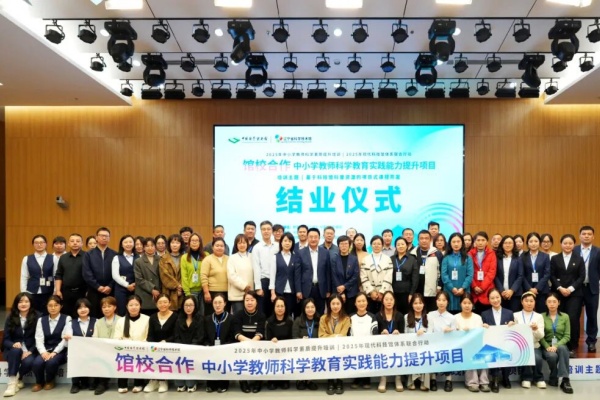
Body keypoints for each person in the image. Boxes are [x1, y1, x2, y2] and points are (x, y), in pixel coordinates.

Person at [550, 234, 585, 358]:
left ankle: (573, 347)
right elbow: (552, 275)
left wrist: (570, 289)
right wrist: (560, 288)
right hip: (558, 293)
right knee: (558, 319)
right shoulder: (555, 258)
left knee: (572, 319)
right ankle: (559, 346)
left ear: (574, 245)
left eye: (570, 243)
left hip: (574, 294)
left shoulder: (579, 259)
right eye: (565, 243)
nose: (567, 245)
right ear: (561, 244)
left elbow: (581, 277)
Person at [2, 293, 39, 397]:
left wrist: (30, 351)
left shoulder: (37, 317)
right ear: (16, 304)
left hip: (30, 349)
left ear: (31, 303)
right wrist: (13, 344)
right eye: (20, 301)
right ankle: (12, 384)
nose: (23, 304)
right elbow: (5, 340)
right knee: (15, 351)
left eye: (26, 301)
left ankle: (18, 378)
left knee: (29, 361)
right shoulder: (11, 317)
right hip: (13, 350)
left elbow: (39, 338)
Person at [32, 295, 71, 392]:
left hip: (60, 350)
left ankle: (50, 381)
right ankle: (39, 382)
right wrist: (43, 352)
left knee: (51, 362)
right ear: (47, 307)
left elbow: (65, 339)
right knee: (37, 362)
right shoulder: (41, 320)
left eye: (56, 305)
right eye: (50, 305)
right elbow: (38, 338)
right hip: (45, 349)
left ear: (61, 306)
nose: (53, 308)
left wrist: (55, 352)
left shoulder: (67, 318)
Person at [114, 295, 149, 393]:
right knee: (123, 359)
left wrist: (139, 345)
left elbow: (148, 336)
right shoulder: (120, 321)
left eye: (136, 305)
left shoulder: (147, 319)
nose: (134, 307)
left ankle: (139, 383)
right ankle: (122, 384)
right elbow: (117, 337)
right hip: (125, 350)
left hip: (141, 349)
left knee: (139, 359)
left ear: (140, 306)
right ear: (126, 306)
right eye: (131, 305)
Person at [481, 288, 515, 392]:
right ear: (488, 300)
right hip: (491, 342)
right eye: (492, 298)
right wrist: (483, 326)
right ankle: (495, 379)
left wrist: (513, 325)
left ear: (501, 297)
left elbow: (514, 331)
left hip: (506, 342)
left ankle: (506, 377)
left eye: (497, 297)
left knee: (509, 350)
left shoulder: (509, 313)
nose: (495, 300)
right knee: (492, 350)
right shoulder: (484, 314)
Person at [233, 291, 266, 393]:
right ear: (243, 302)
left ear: (256, 302)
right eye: (247, 300)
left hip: (257, 345)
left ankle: (258, 381)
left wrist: (252, 344)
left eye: (252, 300)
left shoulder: (261, 315)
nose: (249, 302)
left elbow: (260, 333)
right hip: (243, 345)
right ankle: (243, 381)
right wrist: (248, 343)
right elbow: (237, 333)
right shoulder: (238, 314)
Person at [455, 294, 489, 392]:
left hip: (476, 344)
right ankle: (472, 382)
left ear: (473, 305)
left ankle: (484, 382)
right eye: (464, 303)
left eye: (469, 303)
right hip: (462, 346)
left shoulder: (477, 317)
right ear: (460, 304)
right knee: (470, 352)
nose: (467, 305)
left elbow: (479, 334)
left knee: (485, 351)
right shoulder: (455, 318)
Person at [144, 295, 178, 393]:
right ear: (156, 304)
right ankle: (153, 381)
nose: (163, 304)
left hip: (170, 347)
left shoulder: (175, 316)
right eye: (160, 302)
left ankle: (163, 381)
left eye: (165, 302)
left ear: (170, 303)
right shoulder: (153, 317)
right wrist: (152, 345)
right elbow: (150, 335)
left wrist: (166, 342)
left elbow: (176, 334)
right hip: (155, 347)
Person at [573, 225, 599, 353]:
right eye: (584, 234)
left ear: (593, 236)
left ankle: (591, 341)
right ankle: (574, 342)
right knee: (574, 315)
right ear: (579, 236)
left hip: (591, 288)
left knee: (592, 315)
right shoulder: (574, 250)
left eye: (589, 234)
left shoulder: (598, 251)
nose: (586, 236)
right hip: (576, 288)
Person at [541, 293, 573, 393]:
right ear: (545, 303)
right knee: (552, 356)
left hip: (560, 344)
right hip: (546, 346)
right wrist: (547, 346)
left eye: (554, 302)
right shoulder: (541, 316)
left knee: (563, 349)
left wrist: (556, 345)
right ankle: (553, 376)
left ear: (559, 303)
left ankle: (565, 379)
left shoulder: (565, 316)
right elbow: (540, 335)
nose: (552, 304)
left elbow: (567, 336)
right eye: (549, 302)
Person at [63, 298, 96, 394]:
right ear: (76, 310)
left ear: (89, 308)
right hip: (77, 352)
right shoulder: (71, 323)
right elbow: (66, 343)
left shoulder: (96, 321)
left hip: (92, 351)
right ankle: (75, 383)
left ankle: (92, 381)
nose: (83, 310)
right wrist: (67, 338)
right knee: (72, 356)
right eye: (80, 308)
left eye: (85, 307)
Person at [319, 294, 350, 395]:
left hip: (341, 348)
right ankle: (330, 381)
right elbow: (321, 336)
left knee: (340, 359)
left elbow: (343, 336)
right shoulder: (323, 318)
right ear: (329, 305)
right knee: (329, 359)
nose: (335, 306)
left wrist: (331, 336)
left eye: (338, 303)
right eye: (333, 304)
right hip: (327, 348)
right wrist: (335, 336)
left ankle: (340, 381)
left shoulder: (346, 319)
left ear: (341, 304)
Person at [83, 227, 117, 318]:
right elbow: (87, 273)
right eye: (102, 235)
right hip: (94, 290)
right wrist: (98, 287)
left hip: (110, 291)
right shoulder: (88, 254)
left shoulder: (115, 254)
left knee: (110, 315)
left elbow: (117, 273)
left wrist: (110, 286)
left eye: (106, 236)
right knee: (94, 315)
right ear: (96, 238)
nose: (104, 238)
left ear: (109, 238)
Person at [513, 291, 545, 389]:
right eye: (526, 301)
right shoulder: (515, 315)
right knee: (526, 355)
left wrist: (535, 330)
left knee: (538, 358)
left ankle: (538, 378)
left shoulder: (539, 316)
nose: (529, 303)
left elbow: (541, 336)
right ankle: (526, 378)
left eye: (531, 301)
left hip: (534, 344)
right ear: (522, 302)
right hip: (520, 345)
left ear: (535, 302)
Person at [296, 228, 331, 315]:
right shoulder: (300, 253)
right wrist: (298, 290)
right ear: (307, 238)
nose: (313, 239)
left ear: (319, 238)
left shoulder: (325, 252)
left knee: (320, 313)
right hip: (306, 289)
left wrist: (328, 289)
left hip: (321, 289)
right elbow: (298, 273)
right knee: (306, 313)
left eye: (315, 237)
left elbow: (328, 272)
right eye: (311, 237)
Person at [174, 296, 204, 392]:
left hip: (194, 350)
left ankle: (193, 382)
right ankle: (181, 382)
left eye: (191, 305)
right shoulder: (179, 319)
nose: (188, 308)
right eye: (186, 305)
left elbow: (200, 337)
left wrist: (190, 348)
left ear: (195, 306)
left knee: (190, 384)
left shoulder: (200, 319)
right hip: (181, 350)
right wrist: (181, 348)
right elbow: (176, 336)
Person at [427, 291, 456, 392]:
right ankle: (433, 379)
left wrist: (450, 331)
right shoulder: (430, 315)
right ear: (436, 301)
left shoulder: (452, 317)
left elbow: (455, 334)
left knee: (449, 352)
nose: (441, 302)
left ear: (448, 302)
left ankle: (449, 379)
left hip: (447, 344)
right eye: (439, 300)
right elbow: (429, 330)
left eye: (444, 300)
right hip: (433, 343)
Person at [20, 235, 57, 314]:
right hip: (32, 291)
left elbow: (56, 276)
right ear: (33, 244)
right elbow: (24, 276)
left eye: (41, 242)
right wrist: (24, 293)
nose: (39, 245)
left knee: (47, 313)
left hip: (48, 291)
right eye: (36, 243)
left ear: (46, 244)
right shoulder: (26, 258)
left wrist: (55, 291)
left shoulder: (53, 258)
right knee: (33, 313)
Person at [204, 294, 233, 393]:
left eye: (220, 302)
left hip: (226, 348)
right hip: (211, 348)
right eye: (215, 302)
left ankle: (223, 384)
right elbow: (204, 336)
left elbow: (232, 336)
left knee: (223, 364)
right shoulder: (207, 319)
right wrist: (208, 345)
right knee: (211, 363)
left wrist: (225, 346)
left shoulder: (231, 318)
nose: (217, 305)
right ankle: (211, 384)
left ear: (225, 303)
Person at [376, 291, 404, 392]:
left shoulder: (399, 316)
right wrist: (381, 333)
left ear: (394, 301)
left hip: (397, 346)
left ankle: (398, 378)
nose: (389, 302)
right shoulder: (377, 316)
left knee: (399, 353)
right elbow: (374, 335)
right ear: (382, 301)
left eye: (391, 299)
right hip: (382, 346)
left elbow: (404, 335)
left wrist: (398, 333)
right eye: (386, 299)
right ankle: (383, 378)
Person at [349, 293, 378, 390]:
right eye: (359, 301)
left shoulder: (372, 317)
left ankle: (366, 378)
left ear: (367, 302)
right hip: (354, 348)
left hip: (368, 349)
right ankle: (357, 378)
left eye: (363, 301)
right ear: (355, 303)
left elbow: (375, 333)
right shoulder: (350, 317)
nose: (361, 303)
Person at [91, 296, 119, 395]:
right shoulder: (98, 322)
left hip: (117, 349)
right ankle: (98, 381)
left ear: (115, 307)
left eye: (109, 306)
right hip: (102, 349)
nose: (106, 309)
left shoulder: (121, 320)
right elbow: (95, 337)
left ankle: (102, 383)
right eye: (104, 307)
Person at [54, 233, 86, 318]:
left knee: (81, 314)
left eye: (78, 241)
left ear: (82, 243)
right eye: (72, 241)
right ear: (68, 243)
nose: (75, 243)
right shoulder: (63, 257)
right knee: (66, 315)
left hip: (82, 292)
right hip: (66, 292)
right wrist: (58, 290)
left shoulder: (87, 256)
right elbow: (59, 275)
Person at [265, 297, 294, 390]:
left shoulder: (290, 321)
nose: (280, 308)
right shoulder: (268, 322)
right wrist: (271, 340)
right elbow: (266, 338)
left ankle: (284, 379)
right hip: (272, 352)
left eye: (282, 306)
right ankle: (272, 380)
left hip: (286, 352)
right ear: (274, 307)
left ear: (285, 307)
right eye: (277, 306)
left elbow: (292, 338)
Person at [292, 298, 320, 390]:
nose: (310, 309)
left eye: (312, 307)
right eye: (307, 307)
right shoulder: (298, 320)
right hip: (301, 350)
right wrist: (301, 340)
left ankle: (310, 380)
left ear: (315, 308)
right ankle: (300, 379)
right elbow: (293, 337)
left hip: (316, 350)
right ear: (304, 309)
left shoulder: (319, 320)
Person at [441, 233, 473, 313]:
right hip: (449, 290)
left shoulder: (468, 258)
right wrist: (452, 288)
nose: (456, 244)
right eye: (453, 242)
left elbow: (470, 275)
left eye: (458, 241)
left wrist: (463, 288)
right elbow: (444, 275)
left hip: (464, 290)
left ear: (462, 243)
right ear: (450, 243)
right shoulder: (446, 258)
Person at [360, 235, 393, 313]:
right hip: (370, 295)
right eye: (374, 244)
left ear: (382, 245)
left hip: (385, 294)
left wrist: (382, 292)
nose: (376, 246)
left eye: (379, 244)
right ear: (371, 245)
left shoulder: (387, 259)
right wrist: (371, 291)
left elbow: (389, 276)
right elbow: (363, 277)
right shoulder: (365, 259)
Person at [411, 230, 442, 311]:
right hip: (417, 289)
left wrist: (439, 286)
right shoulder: (412, 253)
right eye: (421, 238)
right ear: (418, 240)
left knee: (431, 312)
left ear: (430, 239)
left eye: (426, 238)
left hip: (432, 289)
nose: (424, 240)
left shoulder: (437, 253)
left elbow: (440, 271)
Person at [269, 232, 299, 319]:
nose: (287, 243)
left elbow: (297, 276)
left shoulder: (296, 257)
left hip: (292, 292)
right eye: (285, 241)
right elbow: (272, 275)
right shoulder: (275, 257)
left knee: (289, 314)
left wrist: (298, 291)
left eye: (289, 241)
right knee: (279, 314)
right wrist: (272, 292)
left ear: (292, 243)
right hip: (279, 291)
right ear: (281, 242)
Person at [404, 293, 429, 391]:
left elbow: (431, 334)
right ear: (411, 305)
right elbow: (404, 334)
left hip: (425, 347)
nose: (418, 305)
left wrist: (424, 332)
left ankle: (424, 382)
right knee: (412, 354)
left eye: (420, 303)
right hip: (411, 347)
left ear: (424, 304)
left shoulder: (428, 317)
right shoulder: (406, 317)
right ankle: (411, 381)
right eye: (415, 303)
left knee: (426, 355)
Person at [252, 221, 278, 317]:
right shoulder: (257, 247)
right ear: (260, 231)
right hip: (264, 281)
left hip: (276, 281)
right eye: (263, 229)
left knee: (275, 310)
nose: (266, 231)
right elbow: (256, 267)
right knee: (262, 311)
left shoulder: (277, 246)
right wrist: (258, 287)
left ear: (272, 231)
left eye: (268, 229)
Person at [521, 232, 551, 313]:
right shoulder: (522, 256)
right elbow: (521, 274)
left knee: (542, 313)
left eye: (536, 241)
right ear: (527, 243)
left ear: (539, 242)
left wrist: (537, 288)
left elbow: (547, 274)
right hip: (527, 289)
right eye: (531, 241)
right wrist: (529, 288)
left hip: (542, 290)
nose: (533, 244)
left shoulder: (545, 256)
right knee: (527, 312)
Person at [468, 231, 497, 313]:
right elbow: (468, 272)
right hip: (473, 291)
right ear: (475, 242)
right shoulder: (470, 254)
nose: (480, 242)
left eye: (483, 240)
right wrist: (474, 286)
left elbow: (492, 272)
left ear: (487, 242)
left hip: (487, 291)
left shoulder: (492, 254)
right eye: (478, 240)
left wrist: (482, 287)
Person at [331, 235, 360, 315]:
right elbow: (333, 275)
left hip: (351, 291)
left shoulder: (354, 259)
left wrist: (344, 286)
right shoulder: (334, 259)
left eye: (346, 244)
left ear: (350, 245)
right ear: (338, 245)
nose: (344, 246)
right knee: (338, 314)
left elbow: (355, 275)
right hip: (337, 292)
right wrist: (341, 291)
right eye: (341, 244)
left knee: (351, 314)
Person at [227, 234, 255, 314]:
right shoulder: (232, 258)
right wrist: (244, 286)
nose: (242, 245)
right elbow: (231, 275)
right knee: (238, 317)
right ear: (236, 245)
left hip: (251, 294)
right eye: (239, 243)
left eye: (244, 243)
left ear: (247, 244)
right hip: (237, 295)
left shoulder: (252, 256)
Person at [494, 235, 523, 312]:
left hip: (515, 294)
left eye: (510, 243)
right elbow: (495, 275)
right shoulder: (497, 258)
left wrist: (512, 290)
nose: (508, 245)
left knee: (514, 315)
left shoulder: (518, 258)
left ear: (514, 245)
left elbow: (520, 276)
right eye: (505, 243)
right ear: (502, 244)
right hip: (500, 293)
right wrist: (501, 290)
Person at [390, 237, 418, 315]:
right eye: (398, 244)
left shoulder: (412, 259)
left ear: (406, 246)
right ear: (395, 246)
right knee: (395, 313)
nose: (400, 246)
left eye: (402, 244)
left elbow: (415, 278)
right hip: (393, 292)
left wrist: (411, 293)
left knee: (407, 314)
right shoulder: (391, 259)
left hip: (407, 292)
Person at [201, 237, 229, 315]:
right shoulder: (207, 259)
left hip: (227, 292)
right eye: (217, 245)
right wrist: (206, 292)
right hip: (211, 292)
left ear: (225, 247)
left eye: (222, 246)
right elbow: (203, 276)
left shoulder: (229, 259)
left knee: (225, 315)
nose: (219, 247)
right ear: (212, 247)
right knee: (211, 315)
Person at [133, 237, 161, 316]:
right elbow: (139, 279)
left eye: (152, 245)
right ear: (144, 247)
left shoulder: (160, 259)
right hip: (144, 294)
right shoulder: (138, 261)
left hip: (158, 293)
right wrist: (152, 289)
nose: (150, 248)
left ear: (155, 247)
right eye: (147, 246)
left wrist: (158, 290)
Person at [180, 233, 206, 315]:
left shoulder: (206, 256)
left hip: (203, 291)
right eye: (192, 240)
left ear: (200, 243)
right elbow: (184, 276)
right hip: (191, 291)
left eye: (196, 240)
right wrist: (187, 294)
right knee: (192, 315)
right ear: (189, 243)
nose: (194, 242)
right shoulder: (184, 257)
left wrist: (206, 290)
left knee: (202, 314)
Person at [111, 235, 137, 316]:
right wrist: (127, 285)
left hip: (136, 289)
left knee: (134, 312)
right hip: (121, 290)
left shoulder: (139, 257)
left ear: (134, 244)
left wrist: (135, 284)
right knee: (121, 312)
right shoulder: (117, 258)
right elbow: (115, 275)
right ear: (122, 245)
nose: (128, 244)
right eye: (125, 242)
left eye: (130, 242)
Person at [159, 234, 184, 311]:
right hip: (168, 292)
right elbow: (164, 275)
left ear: (181, 245)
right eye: (172, 243)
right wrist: (177, 286)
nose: (175, 245)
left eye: (177, 243)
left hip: (183, 292)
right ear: (169, 244)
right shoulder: (163, 258)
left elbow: (186, 275)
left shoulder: (185, 258)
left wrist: (181, 288)